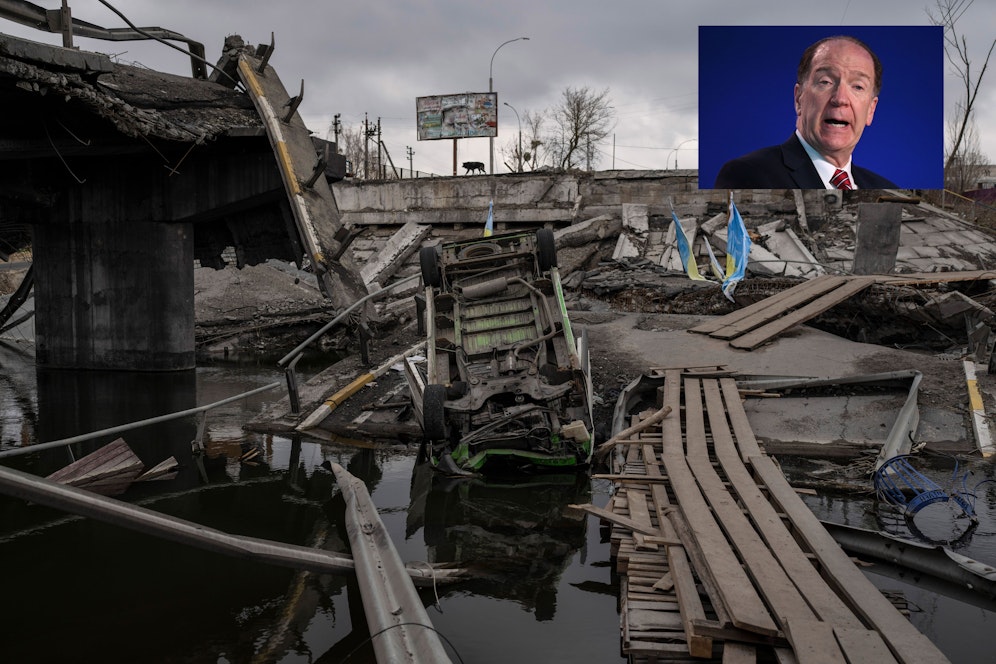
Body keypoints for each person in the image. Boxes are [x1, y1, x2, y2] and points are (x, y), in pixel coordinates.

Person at [714, 35, 896, 190]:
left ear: (871, 109)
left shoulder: (887, 189)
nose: (840, 99)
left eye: (857, 86)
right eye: (825, 81)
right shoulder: (747, 175)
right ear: (799, 98)